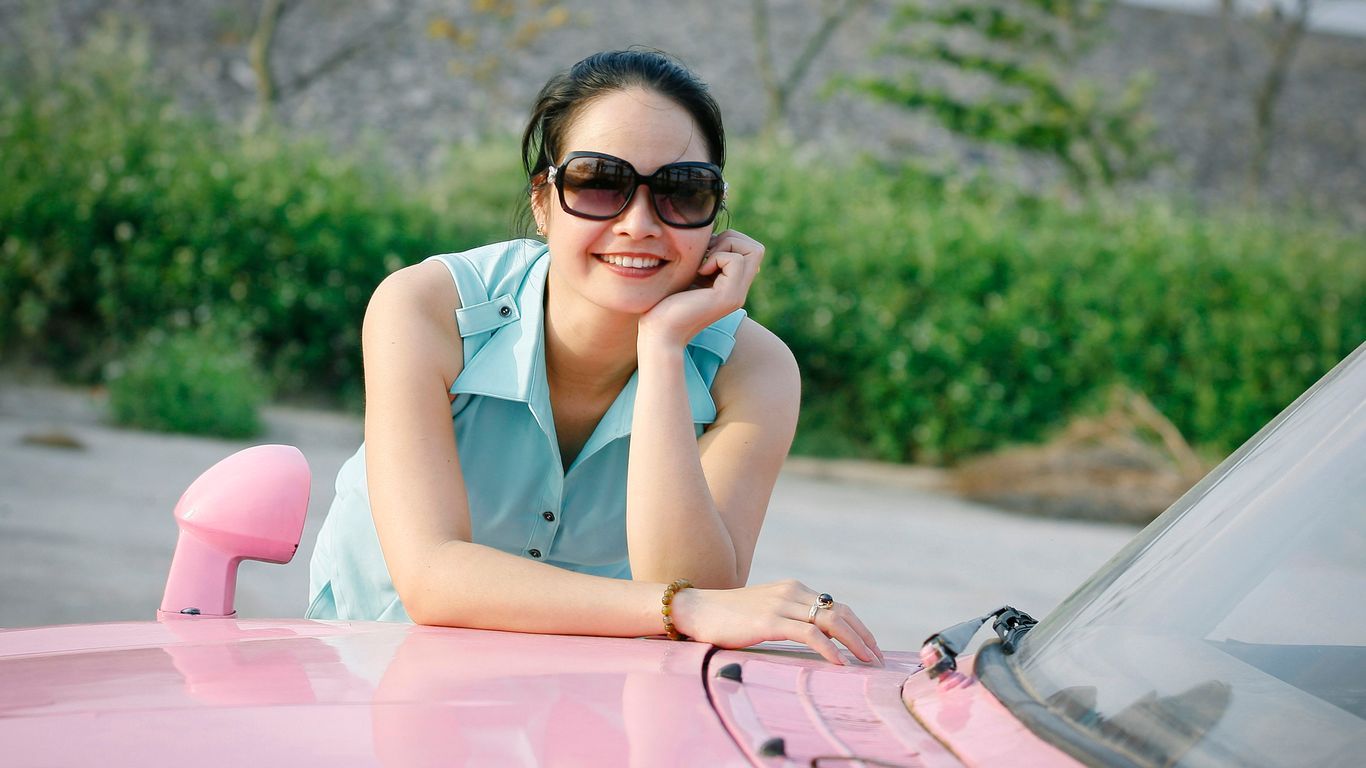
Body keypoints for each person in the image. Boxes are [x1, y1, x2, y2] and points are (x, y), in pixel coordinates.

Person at [307, 49, 881, 666]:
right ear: (543, 201)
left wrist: (662, 348)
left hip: (588, 699)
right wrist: (679, 608)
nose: (639, 223)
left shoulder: (753, 370)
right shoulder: (426, 309)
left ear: (715, 214)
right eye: (599, 183)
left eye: (682, 192)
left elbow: (700, 585)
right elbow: (431, 577)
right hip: (378, 678)